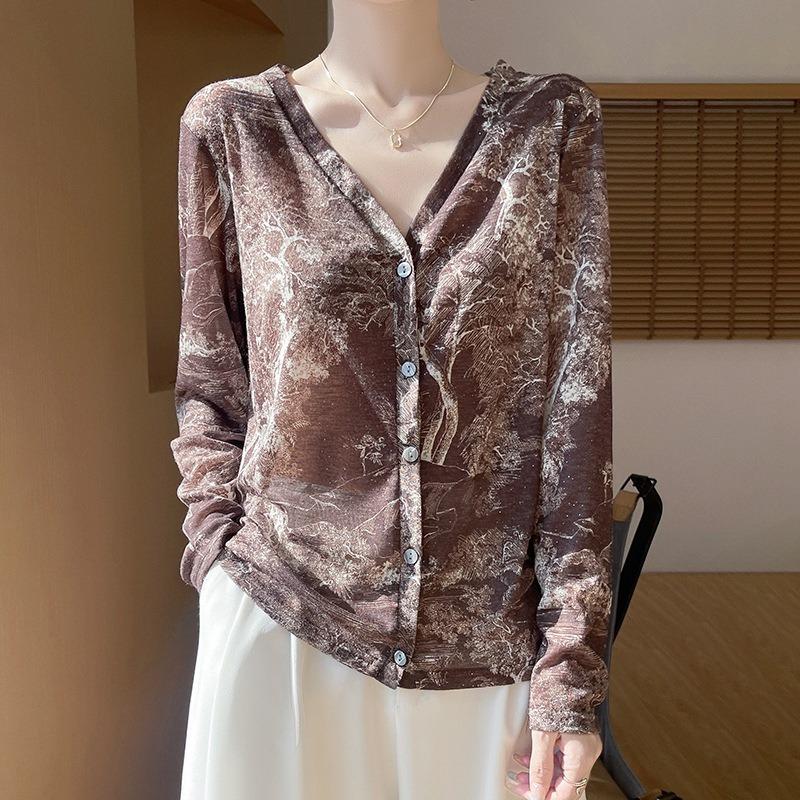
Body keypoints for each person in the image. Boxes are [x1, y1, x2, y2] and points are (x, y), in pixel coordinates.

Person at [169, 3, 614, 799]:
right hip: (281, 624)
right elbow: (211, 383)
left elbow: (576, 411)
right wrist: (219, 563)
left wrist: (570, 675)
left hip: (483, 651)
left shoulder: (549, 124)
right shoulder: (234, 126)